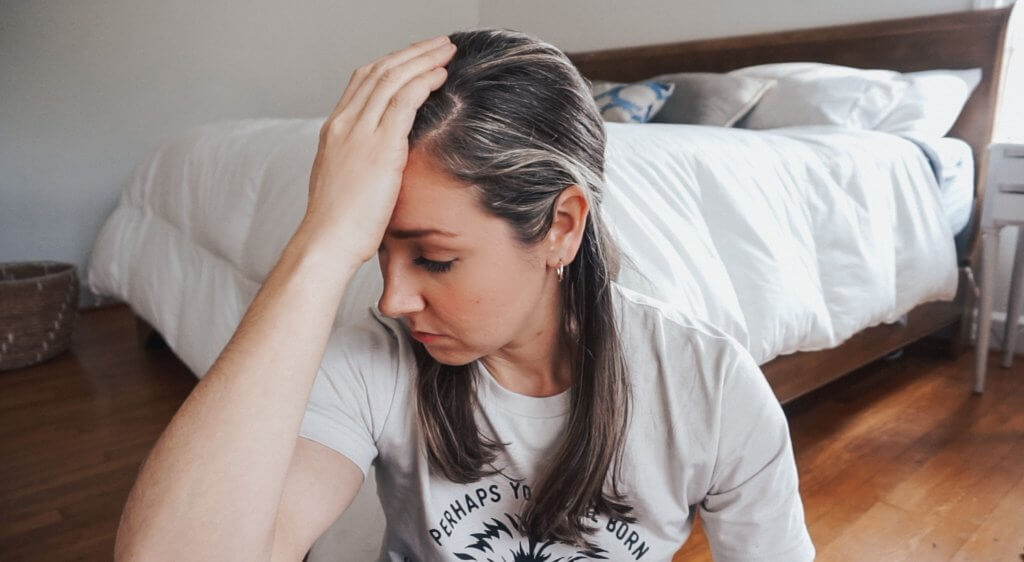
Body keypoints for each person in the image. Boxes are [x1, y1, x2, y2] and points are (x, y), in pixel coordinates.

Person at [114, 29, 815, 562]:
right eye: (379, 251)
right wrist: (322, 243)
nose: (392, 299)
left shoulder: (709, 388)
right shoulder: (371, 367)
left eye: (435, 258)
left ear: (560, 227)